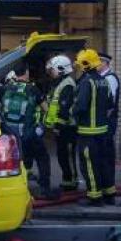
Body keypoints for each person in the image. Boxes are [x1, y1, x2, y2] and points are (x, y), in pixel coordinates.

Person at [1, 62, 56, 199]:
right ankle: (45, 189)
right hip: (29, 133)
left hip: (11, 135)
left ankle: (19, 190)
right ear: (26, 73)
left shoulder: (6, 88)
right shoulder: (33, 89)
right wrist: (44, 126)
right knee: (43, 158)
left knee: (19, 161)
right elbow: (46, 109)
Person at [73, 49, 113, 207]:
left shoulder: (86, 82)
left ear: (85, 64)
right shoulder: (105, 81)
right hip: (103, 132)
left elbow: (81, 107)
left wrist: (71, 112)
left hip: (87, 133)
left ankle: (95, 197)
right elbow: (110, 105)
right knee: (104, 163)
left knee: (89, 164)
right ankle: (109, 194)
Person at [45, 54, 78, 191]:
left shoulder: (68, 84)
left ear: (61, 69)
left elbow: (64, 107)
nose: (51, 73)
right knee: (62, 154)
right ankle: (67, 179)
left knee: (67, 155)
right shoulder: (61, 83)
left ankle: (72, 181)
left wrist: (58, 125)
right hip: (62, 126)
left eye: (52, 70)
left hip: (67, 127)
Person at [97, 52, 119, 204]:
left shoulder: (109, 79)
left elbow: (108, 104)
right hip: (104, 122)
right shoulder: (102, 78)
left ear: (104, 63)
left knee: (106, 155)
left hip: (107, 122)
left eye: (97, 62)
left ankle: (109, 190)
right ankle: (105, 186)